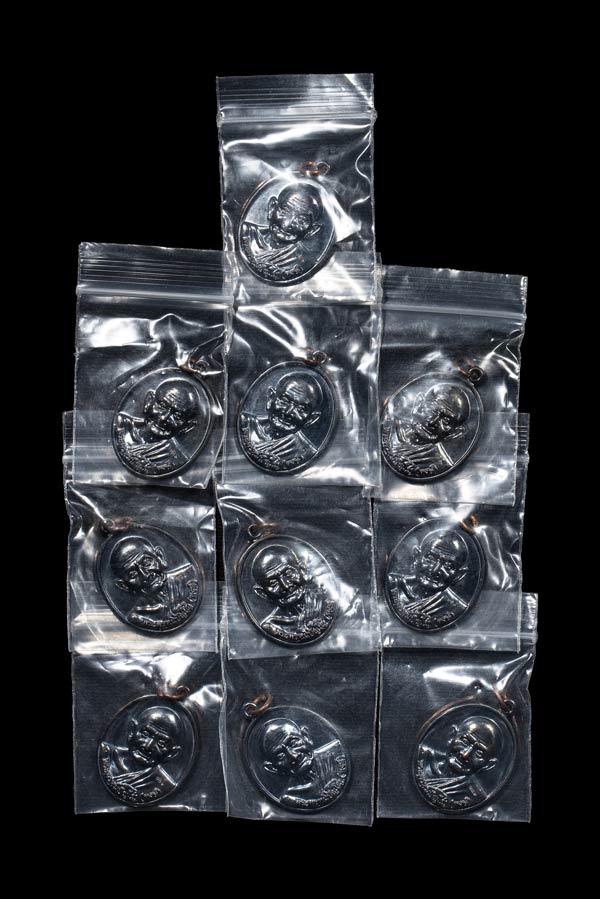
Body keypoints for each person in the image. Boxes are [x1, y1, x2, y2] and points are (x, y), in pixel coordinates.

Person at [110, 535, 198, 630]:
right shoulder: (137, 617)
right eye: (133, 574)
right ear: (123, 585)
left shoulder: (190, 575)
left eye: (147, 563)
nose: (145, 575)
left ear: (160, 557)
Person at [240, 183, 325, 281]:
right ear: (272, 207)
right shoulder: (246, 233)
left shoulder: (304, 262)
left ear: (312, 230)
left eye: (301, 221)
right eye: (284, 211)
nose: (286, 225)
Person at [114, 378, 200, 475]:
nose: (163, 418)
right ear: (149, 401)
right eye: (162, 406)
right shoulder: (120, 425)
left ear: (187, 426)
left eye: (177, 416)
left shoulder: (175, 459)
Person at [239, 373, 323, 471]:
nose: (288, 412)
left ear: (311, 419)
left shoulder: (306, 453)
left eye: (301, 409)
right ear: (271, 398)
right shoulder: (244, 423)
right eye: (284, 401)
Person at [99, 706, 183, 803]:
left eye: (161, 743)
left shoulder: (165, 785)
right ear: (132, 731)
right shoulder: (105, 754)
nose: (148, 747)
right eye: (145, 734)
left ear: (171, 754)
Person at [384, 382, 469, 477]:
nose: (431, 422)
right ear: (419, 402)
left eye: (445, 421)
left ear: (455, 433)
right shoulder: (391, 423)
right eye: (432, 409)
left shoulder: (438, 464)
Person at [251, 544, 332, 641]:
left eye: (288, 573)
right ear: (262, 593)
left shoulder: (327, 600)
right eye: (273, 583)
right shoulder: (273, 626)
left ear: (302, 569)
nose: (286, 586)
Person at [261, 718, 347, 807]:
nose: (294, 756)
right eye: (280, 756)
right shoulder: (291, 798)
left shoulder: (337, 753)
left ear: (306, 737)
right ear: (273, 768)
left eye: (293, 743)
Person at [388, 530, 469, 624]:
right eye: (430, 558)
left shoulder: (456, 608)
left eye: (448, 566)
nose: (435, 570)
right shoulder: (391, 584)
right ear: (416, 556)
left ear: (459, 575)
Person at [419, 717, 499, 807]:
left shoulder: (473, 798)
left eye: (479, 753)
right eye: (465, 741)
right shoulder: (423, 758)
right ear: (452, 736)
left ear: (488, 765)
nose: (465, 755)